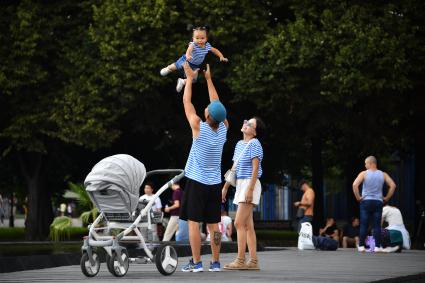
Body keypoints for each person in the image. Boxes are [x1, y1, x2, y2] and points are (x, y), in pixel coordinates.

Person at [179, 62, 228, 272]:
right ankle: (216, 263)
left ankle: (196, 262)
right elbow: (217, 104)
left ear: (208, 115)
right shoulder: (224, 129)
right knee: (213, 225)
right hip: (214, 184)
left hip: (197, 182)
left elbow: (186, 100)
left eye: (207, 108)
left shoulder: (198, 126)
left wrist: (190, 78)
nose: (207, 106)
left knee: (193, 223)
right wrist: (208, 79)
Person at [222, 117, 265, 270]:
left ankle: (241, 260)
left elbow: (255, 169)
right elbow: (234, 167)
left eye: (250, 124)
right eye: (246, 121)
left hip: (249, 183)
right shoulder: (240, 144)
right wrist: (226, 187)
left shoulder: (255, 143)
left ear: (255, 131)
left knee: (238, 223)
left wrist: (250, 189)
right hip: (241, 183)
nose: (245, 124)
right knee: (247, 226)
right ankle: (253, 262)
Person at [160, 26, 228, 92]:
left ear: (206, 39)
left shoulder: (207, 46)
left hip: (195, 66)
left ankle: (182, 81)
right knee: (176, 66)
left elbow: (215, 50)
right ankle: (168, 69)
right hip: (186, 60)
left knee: (193, 80)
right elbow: (189, 50)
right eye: (197, 38)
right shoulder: (193, 44)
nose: (200, 40)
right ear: (193, 38)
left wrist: (221, 56)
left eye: (202, 38)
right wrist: (188, 55)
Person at [352, 156, 396, 252]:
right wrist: (386, 198)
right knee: (377, 226)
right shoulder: (383, 174)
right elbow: (393, 185)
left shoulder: (363, 173)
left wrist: (358, 198)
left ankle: (361, 246)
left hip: (366, 202)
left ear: (371, 163)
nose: (365, 165)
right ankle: (377, 247)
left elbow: (355, 185)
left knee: (364, 224)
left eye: (366, 163)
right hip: (378, 202)